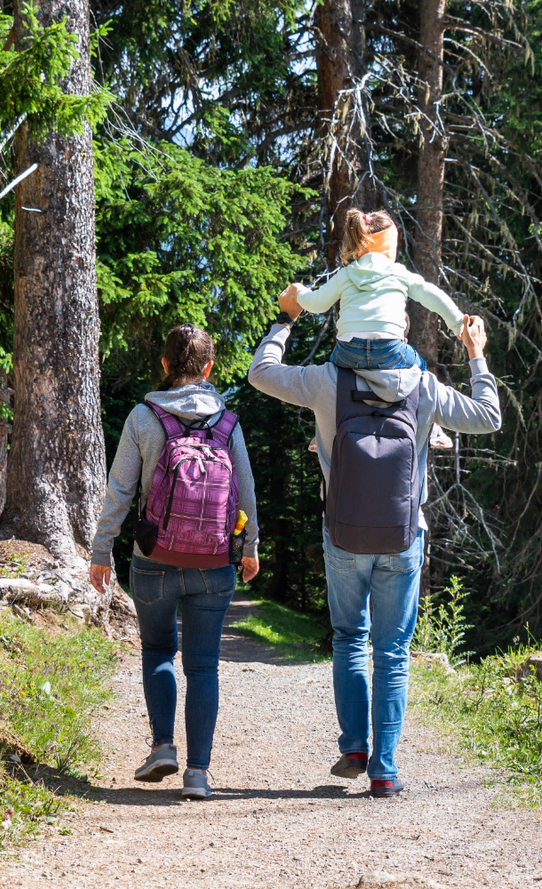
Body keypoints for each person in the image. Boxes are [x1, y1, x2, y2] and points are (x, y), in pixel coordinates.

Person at [247, 292, 500, 798]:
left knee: (349, 638)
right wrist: (475, 353)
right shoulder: (424, 387)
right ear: (402, 334)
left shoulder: (324, 381)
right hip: (404, 535)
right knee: (392, 652)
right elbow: (489, 417)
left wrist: (286, 318)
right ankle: (384, 770)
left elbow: (261, 373)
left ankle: (354, 747)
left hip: (342, 533)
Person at [89, 324, 260, 801]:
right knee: (203, 666)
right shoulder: (228, 422)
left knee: (158, 650)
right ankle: (199, 774)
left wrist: (102, 550)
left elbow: (120, 490)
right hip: (214, 563)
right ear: (208, 370)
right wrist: (250, 547)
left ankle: (163, 745)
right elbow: (245, 490)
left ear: (164, 366)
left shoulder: (144, 418)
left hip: (153, 558)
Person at [287, 208, 461, 448]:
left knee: (331, 381)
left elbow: (316, 304)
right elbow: (433, 296)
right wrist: (458, 322)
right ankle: (434, 431)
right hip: (389, 350)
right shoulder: (398, 273)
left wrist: (300, 292)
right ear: (390, 245)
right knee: (422, 372)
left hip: (348, 352)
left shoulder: (346, 274)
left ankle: (324, 434)